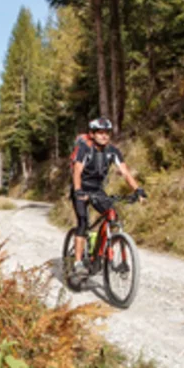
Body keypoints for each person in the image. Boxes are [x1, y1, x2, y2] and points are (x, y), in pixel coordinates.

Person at [71, 117, 146, 277]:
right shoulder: (85, 149)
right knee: (83, 222)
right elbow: (77, 171)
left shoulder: (113, 151)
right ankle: (77, 262)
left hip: (98, 189)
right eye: (100, 133)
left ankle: (101, 250)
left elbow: (125, 172)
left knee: (112, 215)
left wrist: (138, 189)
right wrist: (78, 191)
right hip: (82, 188)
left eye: (107, 133)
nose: (104, 136)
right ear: (92, 134)